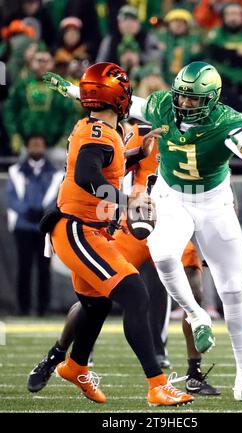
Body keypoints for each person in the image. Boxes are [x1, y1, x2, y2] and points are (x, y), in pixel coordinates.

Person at [42, 61, 242, 402]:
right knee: (154, 264)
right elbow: (117, 103)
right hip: (164, 201)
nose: (184, 104)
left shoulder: (227, 121)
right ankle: (191, 320)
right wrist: (73, 89)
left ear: (212, 99)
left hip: (210, 203)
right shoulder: (156, 109)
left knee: (232, 290)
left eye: (194, 99)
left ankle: (241, 377)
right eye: (182, 97)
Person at [36, 62, 193, 406]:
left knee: (95, 304)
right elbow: (87, 175)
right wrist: (125, 201)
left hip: (89, 230)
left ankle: (74, 365)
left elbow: (110, 159)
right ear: (119, 96)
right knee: (136, 295)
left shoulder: (102, 129)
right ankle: (157, 384)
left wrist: (140, 150)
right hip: (79, 229)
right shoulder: (100, 134)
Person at [27, 121, 219, 396]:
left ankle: (193, 373)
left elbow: (214, 188)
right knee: (99, 291)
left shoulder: (208, 137)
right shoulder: (143, 132)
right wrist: (139, 155)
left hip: (176, 222)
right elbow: (109, 171)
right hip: (138, 219)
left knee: (193, 288)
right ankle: (57, 356)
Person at [6, 134, 63, 315]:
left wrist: (44, 211)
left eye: (39, 144)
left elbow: (57, 197)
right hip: (23, 226)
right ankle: (23, 307)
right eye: (33, 144)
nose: (36, 148)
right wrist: (27, 210)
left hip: (45, 226)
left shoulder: (56, 173)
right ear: (27, 147)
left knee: (44, 268)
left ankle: (43, 308)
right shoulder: (16, 171)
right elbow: (11, 198)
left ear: (45, 148)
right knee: (24, 267)